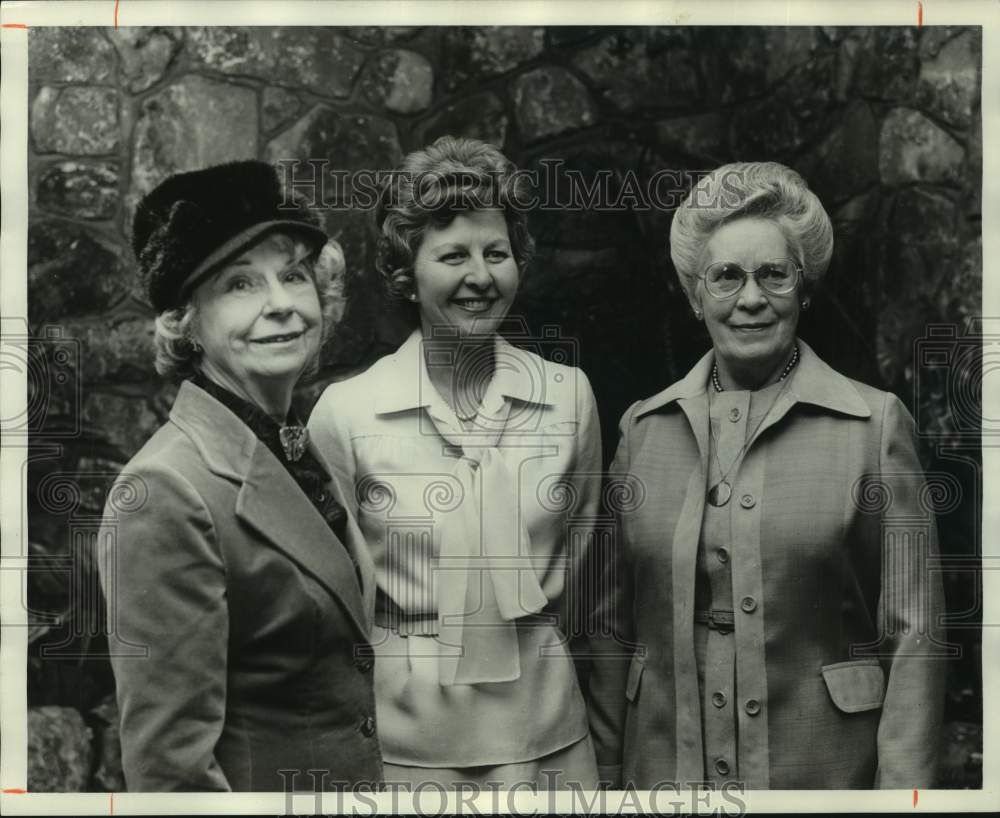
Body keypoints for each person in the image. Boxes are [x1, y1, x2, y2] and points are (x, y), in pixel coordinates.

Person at [601, 161, 946, 789]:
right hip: (664, 777)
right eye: (727, 276)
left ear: (804, 287)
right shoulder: (641, 433)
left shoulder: (872, 426)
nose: (752, 298)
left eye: (774, 275)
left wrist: (904, 800)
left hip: (822, 773)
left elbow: (914, 635)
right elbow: (607, 635)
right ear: (694, 293)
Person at [308, 136, 609, 790]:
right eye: (452, 256)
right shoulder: (347, 413)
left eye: (496, 253)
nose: (480, 276)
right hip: (408, 739)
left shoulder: (568, 397)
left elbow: (582, 557)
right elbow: (338, 604)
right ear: (406, 274)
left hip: (547, 730)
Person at [96, 160, 383, 791]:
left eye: (293, 276)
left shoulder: (300, 448)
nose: (281, 304)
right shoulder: (165, 492)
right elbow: (172, 775)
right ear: (188, 323)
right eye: (240, 285)